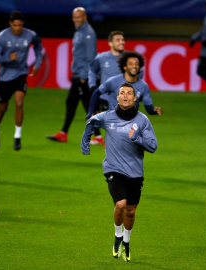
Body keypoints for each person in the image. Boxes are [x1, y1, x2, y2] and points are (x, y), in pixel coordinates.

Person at [81, 82, 158, 262]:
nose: (125, 95)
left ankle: (126, 241)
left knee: (130, 211)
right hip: (113, 168)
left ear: (134, 98)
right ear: (117, 98)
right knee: (121, 204)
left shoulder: (142, 120)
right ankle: (117, 235)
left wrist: (137, 138)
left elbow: (153, 146)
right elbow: (91, 122)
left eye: (129, 93)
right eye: (121, 93)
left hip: (135, 172)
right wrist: (85, 144)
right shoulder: (107, 117)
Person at [0, 11, 43, 151]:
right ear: (10, 24)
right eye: (15, 25)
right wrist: (8, 58)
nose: (18, 28)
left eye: (20, 25)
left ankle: (17, 136)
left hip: (21, 73)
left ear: (23, 24)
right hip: (5, 76)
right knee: (3, 108)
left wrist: (37, 63)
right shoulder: (2, 37)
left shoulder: (30, 34)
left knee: (19, 103)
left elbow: (38, 46)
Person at [46, 7, 97, 143]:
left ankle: (66, 133)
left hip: (82, 76)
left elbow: (91, 57)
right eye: (74, 17)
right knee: (79, 103)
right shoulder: (79, 32)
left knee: (78, 104)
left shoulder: (88, 34)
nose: (76, 20)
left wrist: (83, 75)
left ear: (85, 18)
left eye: (78, 17)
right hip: (79, 74)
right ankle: (66, 133)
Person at [86, 51, 162, 120]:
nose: (134, 66)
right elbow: (96, 93)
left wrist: (154, 111)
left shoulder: (143, 86)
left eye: (136, 64)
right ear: (125, 67)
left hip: (132, 124)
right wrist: (90, 113)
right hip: (113, 124)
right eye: (131, 64)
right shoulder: (113, 81)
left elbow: (148, 107)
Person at [86, 30, 125, 145]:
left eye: (122, 40)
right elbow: (92, 70)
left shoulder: (128, 59)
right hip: (106, 99)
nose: (121, 42)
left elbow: (138, 74)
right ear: (110, 43)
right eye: (118, 40)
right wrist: (92, 84)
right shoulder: (102, 58)